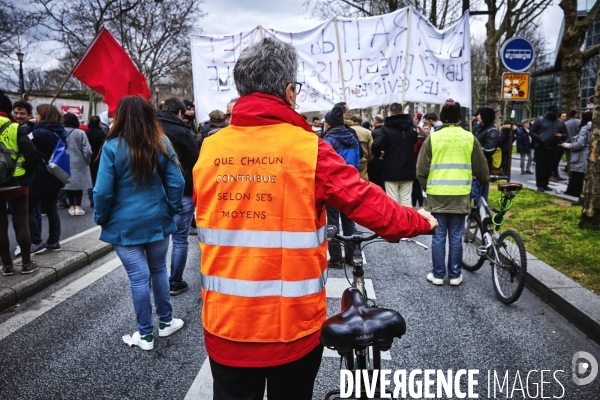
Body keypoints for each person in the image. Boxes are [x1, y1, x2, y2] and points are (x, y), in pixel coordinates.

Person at [192, 37, 437, 400]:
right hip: (290, 327)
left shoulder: (210, 148)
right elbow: (368, 203)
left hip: (226, 323)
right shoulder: (307, 149)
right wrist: (419, 220)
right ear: (290, 92)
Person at [94, 95, 185, 350]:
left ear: (120, 117)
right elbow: (177, 182)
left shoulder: (111, 147)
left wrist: (101, 217)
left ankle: (145, 335)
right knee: (158, 271)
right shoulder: (161, 142)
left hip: (123, 223)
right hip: (157, 219)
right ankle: (166, 322)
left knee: (138, 278)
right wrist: (172, 209)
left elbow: (102, 192)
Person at [417, 99, 488, 286]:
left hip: (437, 194)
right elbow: (482, 170)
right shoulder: (469, 138)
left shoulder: (433, 138)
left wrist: (427, 188)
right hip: (460, 194)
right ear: (459, 118)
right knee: (456, 236)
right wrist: (482, 184)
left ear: (442, 118)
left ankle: (438, 275)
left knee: (439, 236)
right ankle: (455, 275)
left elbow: (421, 169)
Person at [158, 98, 199, 295]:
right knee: (180, 239)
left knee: (156, 238)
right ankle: (175, 282)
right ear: (180, 113)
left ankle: (155, 278)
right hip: (182, 189)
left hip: (154, 190)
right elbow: (195, 161)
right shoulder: (183, 132)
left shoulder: (149, 128)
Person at [0, 92, 38, 275]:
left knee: (0, 226)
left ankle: (6, 265)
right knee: (21, 222)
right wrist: (25, 175)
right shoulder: (15, 128)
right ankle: (26, 263)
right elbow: (32, 154)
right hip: (17, 183)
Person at [323, 105, 361, 268]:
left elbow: (325, 165)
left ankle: (336, 258)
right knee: (348, 221)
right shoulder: (352, 137)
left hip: (333, 185)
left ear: (329, 124)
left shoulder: (328, 140)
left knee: (332, 222)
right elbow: (359, 158)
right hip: (351, 182)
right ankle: (351, 256)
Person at [29, 104, 67, 254]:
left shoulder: (39, 133)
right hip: (55, 175)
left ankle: (36, 241)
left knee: (28, 209)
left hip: (38, 175)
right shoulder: (60, 130)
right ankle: (53, 241)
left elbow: (25, 141)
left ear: (43, 116)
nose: (35, 117)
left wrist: (28, 126)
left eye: (37, 114)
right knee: (52, 209)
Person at [372, 102, 417, 206]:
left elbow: (376, 144)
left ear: (390, 113)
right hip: (408, 167)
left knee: (392, 202)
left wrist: (378, 155)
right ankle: (407, 221)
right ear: (402, 112)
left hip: (390, 168)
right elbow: (414, 142)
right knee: (406, 200)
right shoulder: (412, 128)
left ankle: (394, 222)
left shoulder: (386, 128)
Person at [529, 105, 567, 192]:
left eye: (556, 111)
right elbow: (532, 132)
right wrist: (540, 138)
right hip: (541, 147)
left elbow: (565, 134)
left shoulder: (560, 122)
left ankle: (545, 184)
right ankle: (540, 184)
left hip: (553, 147)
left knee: (549, 167)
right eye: (554, 111)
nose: (555, 113)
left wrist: (561, 136)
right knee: (540, 166)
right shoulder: (540, 120)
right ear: (549, 111)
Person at [63, 113, 93, 216]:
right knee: (78, 186)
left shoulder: (61, 132)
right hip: (79, 162)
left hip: (65, 161)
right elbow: (87, 150)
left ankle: (71, 207)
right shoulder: (81, 133)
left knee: (68, 185)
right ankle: (78, 207)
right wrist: (87, 160)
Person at [562, 110, 591, 205]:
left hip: (580, 156)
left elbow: (579, 145)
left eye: (581, 117)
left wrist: (567, 145)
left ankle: (580, 198)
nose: (580, 118)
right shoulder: (592, 128)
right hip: (587, 155)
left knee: (578, 177)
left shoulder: (584, 128)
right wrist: (577, 138)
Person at [472, 107, 499, 205]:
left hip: (484, 165)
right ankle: (473, 213)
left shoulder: (492, 131)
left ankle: (480, 214)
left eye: (479, 114)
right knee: (474, 191)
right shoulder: (478, 128)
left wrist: (473, 148)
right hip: (474, 164)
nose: (477, 116)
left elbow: (489, 149)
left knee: (482, 192)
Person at [85, 116, 107, 207]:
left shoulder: (86, 133)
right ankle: (98, 198)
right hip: (100, 158)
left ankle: (91, 198)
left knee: (90, 180)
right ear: (99, 123)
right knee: (99, 179)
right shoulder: (102, 134)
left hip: (89, 158)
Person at [349, 114, 374, 181]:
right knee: (363, 183)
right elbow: (371, 149)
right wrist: (368, 159)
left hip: (350, 161)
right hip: (363, 161)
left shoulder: (347, 131)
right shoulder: (368, 132)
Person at [367, 114, 385, 190]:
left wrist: (377, 155)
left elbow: (372, 146)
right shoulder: (387, 131)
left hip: (374, 160)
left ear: (375, 122)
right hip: (386, 160)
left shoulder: (373, 133)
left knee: (375, 182)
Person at [412, 125, 428, 208]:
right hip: (423, 165)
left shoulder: (416, 141)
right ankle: (421, 205)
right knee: (419, 187)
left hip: (415, 165)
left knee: (415, 187)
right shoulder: (425, 140)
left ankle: (414, 204)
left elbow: (414, 153)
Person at [563, 110, 580, 175]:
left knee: (569, 161)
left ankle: (570, 176)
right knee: (578, 161)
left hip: (568, 144)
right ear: (575, 114)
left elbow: (564, 134)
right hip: (578, 144)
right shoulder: (580, 122)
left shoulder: (566, 123)